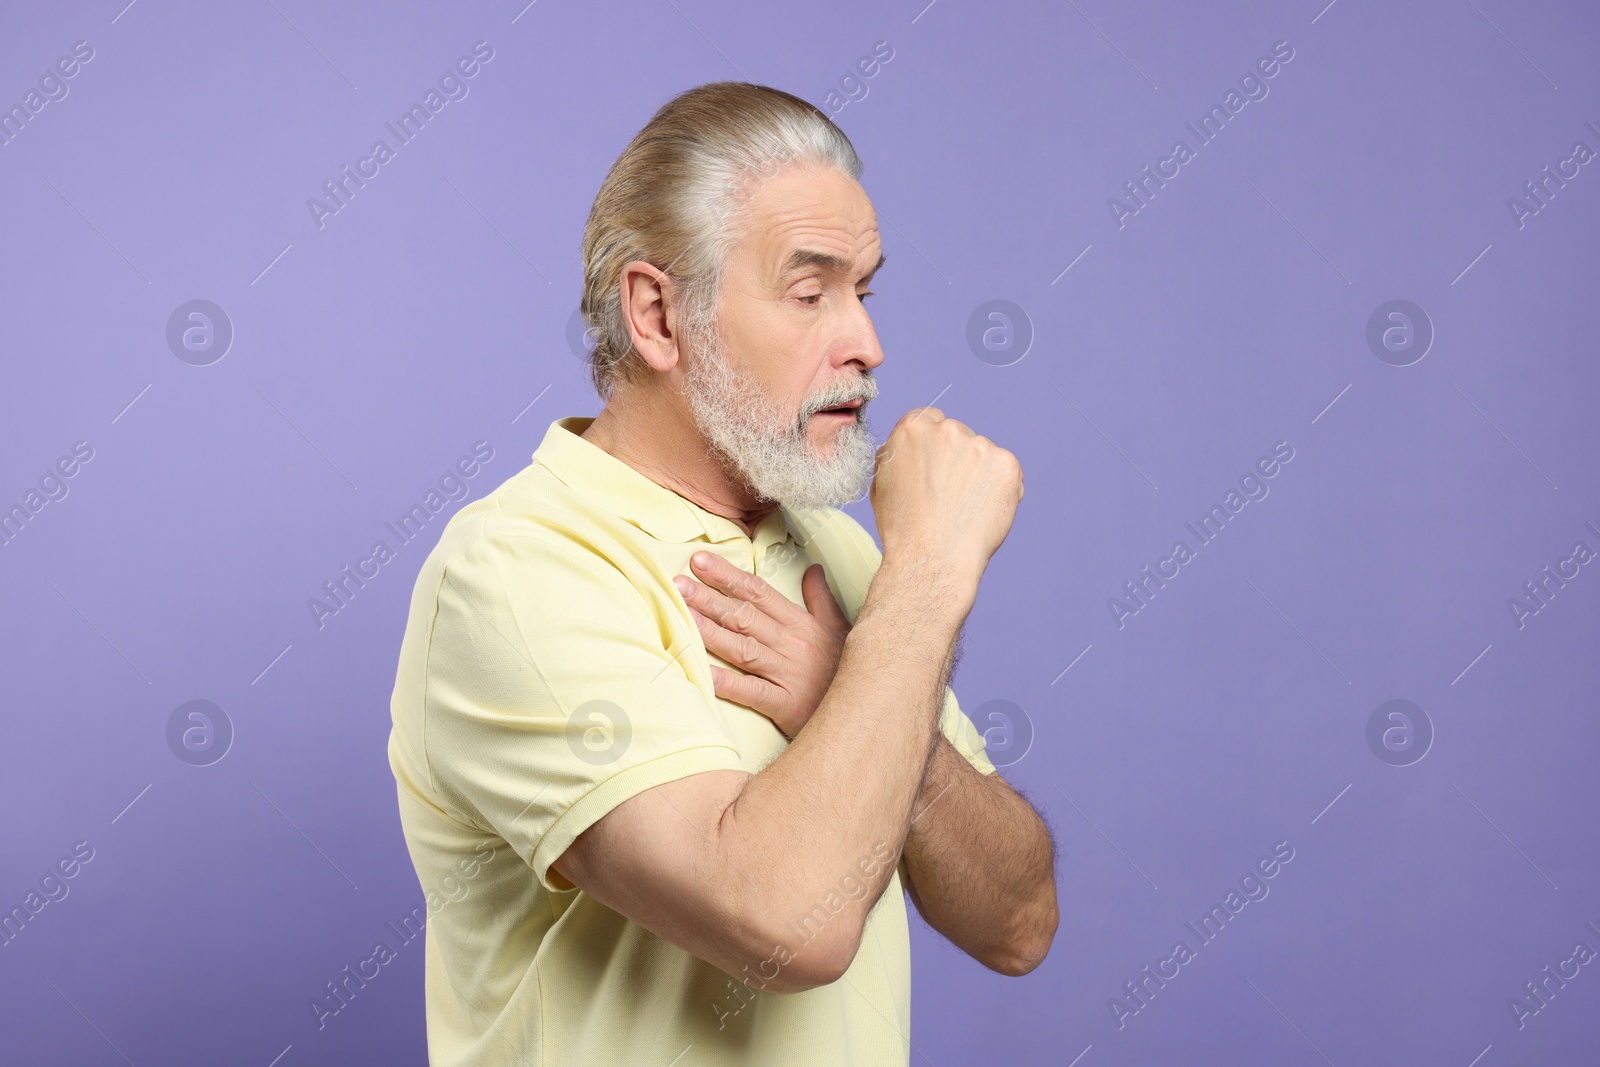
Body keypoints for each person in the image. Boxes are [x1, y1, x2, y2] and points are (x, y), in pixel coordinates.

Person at [387, 80, 1057, 1066]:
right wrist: (929, 575)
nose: (866, 344)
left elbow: (1017, 919)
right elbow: (792, 921)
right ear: (657, 314)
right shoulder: (520, 570)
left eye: (863, 290)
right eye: (809, 290)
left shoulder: (837, 553)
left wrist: (845, 686)